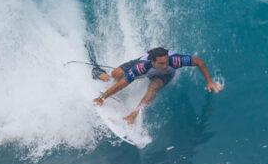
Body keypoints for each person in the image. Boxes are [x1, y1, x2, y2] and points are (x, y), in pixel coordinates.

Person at [92, 47, 223, 124]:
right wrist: (102, 98)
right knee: (116, 74)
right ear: (153, 61)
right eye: (161, 63)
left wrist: (209, 81)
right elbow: (122, 85)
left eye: (166, 62)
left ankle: (134, 114)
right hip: (144, 68)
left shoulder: (175, 61)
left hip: (163, 77)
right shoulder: (142, 67)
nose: (165, 66)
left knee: (154, 87)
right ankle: (100, 74)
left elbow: (199, 62)